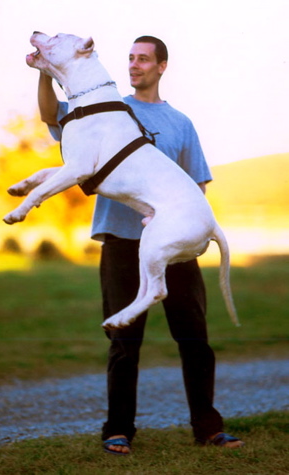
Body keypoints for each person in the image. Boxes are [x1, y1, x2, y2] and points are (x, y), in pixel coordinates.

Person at [38, 35, 244, 455]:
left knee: (195, 340)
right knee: (123, 342)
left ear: (161, 66)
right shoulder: (104, 106)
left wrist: (196, 236)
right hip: (120, 243)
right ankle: (118, 430)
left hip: (176, 246)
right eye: (130, 58)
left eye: (143, 59)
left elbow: (196, 185)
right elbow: (49, 116)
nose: (134, 65)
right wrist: (44, 73)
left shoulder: (181, 123)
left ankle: (208, 427)